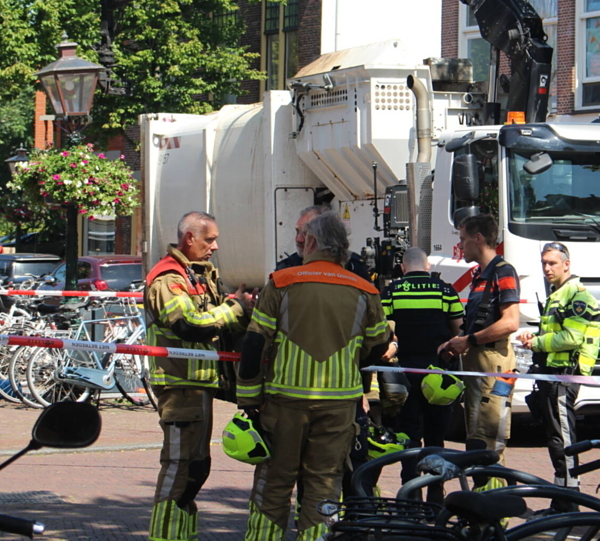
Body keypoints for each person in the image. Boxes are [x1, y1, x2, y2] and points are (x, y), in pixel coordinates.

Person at [238, 211, 389, 541]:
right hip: (339, 407)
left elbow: (254, 344)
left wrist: (249, 400)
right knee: (324, 488)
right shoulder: (365, 290)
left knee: (273, 485)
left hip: (283, 404)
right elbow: (379, 346)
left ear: (313, 243)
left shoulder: (282, 282)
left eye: (303, 239)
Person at [146, 211, 249, 541]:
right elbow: (188, 324)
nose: (215, 246)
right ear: (189, 238)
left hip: (197, 385)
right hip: (179, 387)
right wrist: (235, 310)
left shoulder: (194, 274)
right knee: (181, 467)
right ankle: (164, 536)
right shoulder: (168, 278)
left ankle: (182, 535)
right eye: (210, 239)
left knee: (196, 467)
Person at [382, 246, 463, 503]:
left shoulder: (391, 292)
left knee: (408, 433)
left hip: (403, 375)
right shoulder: (446, 290)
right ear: (427, 266)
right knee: (436, 434)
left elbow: (383, 332)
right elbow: (458, 330)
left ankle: (410, 495)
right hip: (437, 375)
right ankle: (436, 495)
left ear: (403, 267)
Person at [518, 242, 600, 489]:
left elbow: (571, 338)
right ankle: (561, 496)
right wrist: (533, 339)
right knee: (555, 437)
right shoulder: (558, 293)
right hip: (552, 375)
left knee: (563, 437)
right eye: (544, 263)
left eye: (552, 263)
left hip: (564, 376)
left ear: (567, 264)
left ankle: (569, 499)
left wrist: (536, 343)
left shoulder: (577, 295)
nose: (546, 268)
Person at [438, 214, 519, 468]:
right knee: (476, 436)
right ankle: (483, 496)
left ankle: (494, 499)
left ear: (478, 238)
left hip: (493, 365)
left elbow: (510, 323)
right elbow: (480, 321)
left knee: (488, 439)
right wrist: (456, 341)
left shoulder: (503, 271)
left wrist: (468, 341)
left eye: (463, 239)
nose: (460, 246)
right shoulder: (481, 275)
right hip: (478, 363)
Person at [275, 205, 371, 280]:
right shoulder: (286, 267)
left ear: (326, 234)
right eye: (297, 231)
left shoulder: (353, 266)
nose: (298, 239)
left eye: (305, 233)